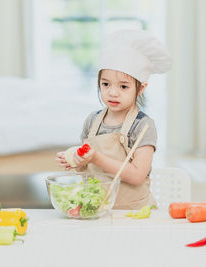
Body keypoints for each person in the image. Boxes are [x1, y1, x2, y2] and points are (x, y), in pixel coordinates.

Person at [56, 29, 172, 209]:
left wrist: (95, 158)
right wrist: (76, 161)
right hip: (96, 210)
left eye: (124, 86)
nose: (112, 92)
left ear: (141, 88)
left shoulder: (143, 125)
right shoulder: (92, 121)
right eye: (105, 84)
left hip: (133, 213)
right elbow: (88, 168)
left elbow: (137, 176)